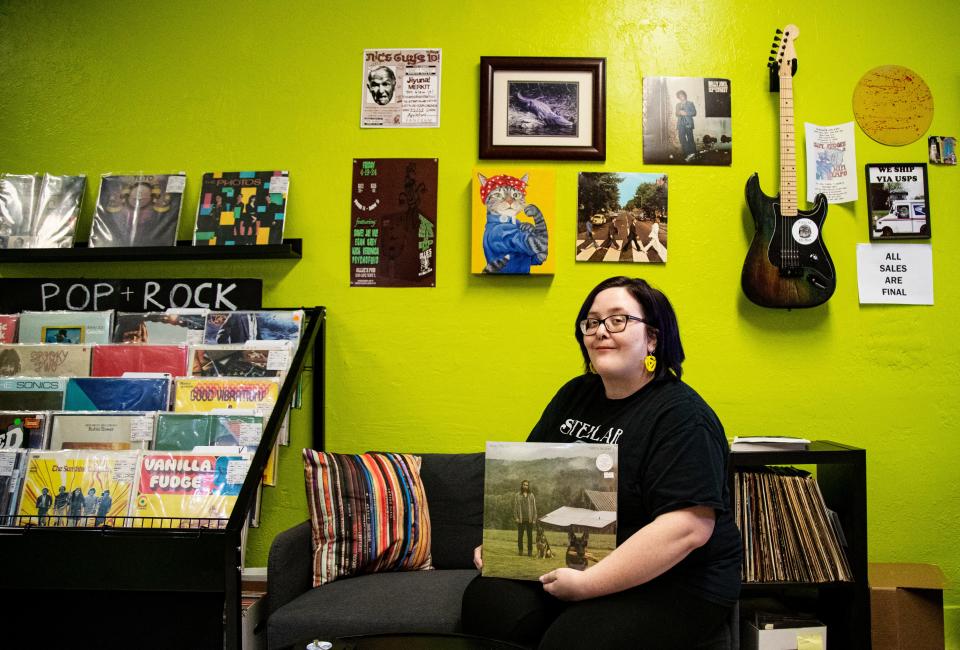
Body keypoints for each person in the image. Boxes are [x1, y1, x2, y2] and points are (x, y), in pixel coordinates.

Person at [462, 276, 741, 649]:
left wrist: (588, 585)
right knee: (488, 604)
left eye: (618, 320)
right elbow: (530, 475)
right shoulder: (574, 394)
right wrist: (505, 549)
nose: (600, 331)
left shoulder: (683, 418)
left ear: (653, 339)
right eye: (591, 322)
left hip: (675, 580)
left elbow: (688, 529)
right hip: (579, 557)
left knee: (573, 642)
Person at [514, 480, 538, 557]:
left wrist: (534, 518)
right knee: (520, 536)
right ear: (522, 485)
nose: (525, 486)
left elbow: (534, 507)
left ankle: (529, 552)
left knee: (529, 536)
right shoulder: (517, 495)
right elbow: (515, 508)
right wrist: (516, 517)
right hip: (521, 519)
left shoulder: (531, 495)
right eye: (524, 485)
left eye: (527, 485)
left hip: (529, 519)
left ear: (528, 486)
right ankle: (520, 551)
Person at [675, 90, 697, 161]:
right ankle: (688, 153)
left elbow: (694, 112)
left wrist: (686, 113)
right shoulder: (677, 105)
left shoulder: (690, 103)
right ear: (678, 97)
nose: (681, 97)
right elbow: (676, 114)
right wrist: (679, 113)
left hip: (688, 123)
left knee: (690, 138)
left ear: (685, 95)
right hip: (680, 124)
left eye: (682, 95)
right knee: (682, 138)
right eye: (680, 96)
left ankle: (693, 153)